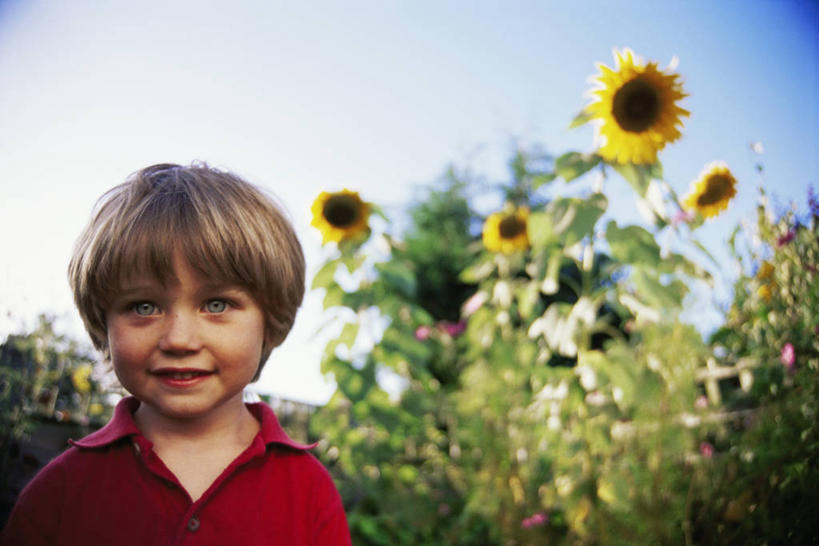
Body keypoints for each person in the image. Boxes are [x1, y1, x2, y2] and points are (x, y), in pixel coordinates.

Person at [0, 163, 351, 545]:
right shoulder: (60, 493)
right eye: (144, 307)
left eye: (216, 305)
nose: (180, 340)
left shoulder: (309, 492)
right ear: (104, 323)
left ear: (272, 321)